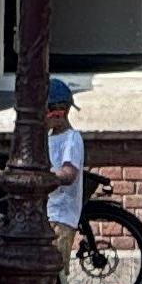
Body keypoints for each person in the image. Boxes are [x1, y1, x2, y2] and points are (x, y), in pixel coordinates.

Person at [42, 78, 86, 266]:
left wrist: (45, 178)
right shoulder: (48, 139)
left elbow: (69, 173)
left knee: (55, 272)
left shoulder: (71, 139)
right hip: (47, 213)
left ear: (58, 113)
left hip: (61, 216)